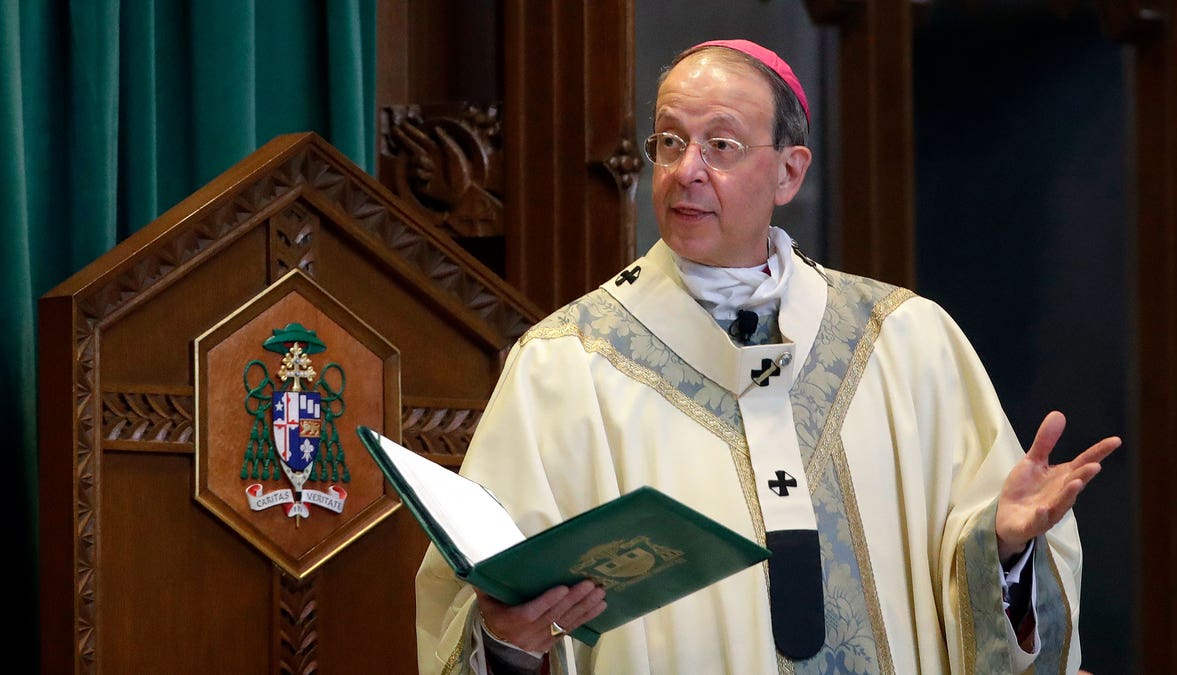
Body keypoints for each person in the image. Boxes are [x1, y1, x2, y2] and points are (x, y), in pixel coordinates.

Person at [414, 38, 1120, 675]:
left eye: (720, 145)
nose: (687, 170)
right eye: (669, 141)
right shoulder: (565, 365)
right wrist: (509, 640)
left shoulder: (906, 341)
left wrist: (1000, 550)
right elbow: (482, 609)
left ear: (789, 172)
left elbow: (993, 608)